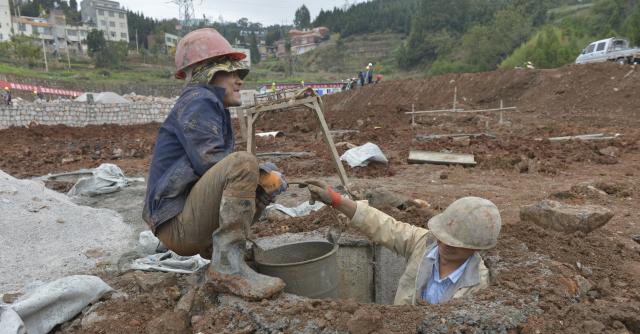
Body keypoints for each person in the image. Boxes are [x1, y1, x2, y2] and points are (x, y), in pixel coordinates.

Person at [143, 28, 288, 301]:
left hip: (182, 220)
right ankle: (227, 267)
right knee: (245, 164)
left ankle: (226, 256)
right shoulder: (199, 100)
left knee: (260, 175)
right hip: (177, 224)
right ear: (209, 72)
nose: (239, 81)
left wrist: (266, 178)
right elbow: (212, 161)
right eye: (233, 72)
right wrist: (261, 173)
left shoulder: (210, 105)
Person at [304, 181, 502, 305]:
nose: (445, 243)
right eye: (444, 235)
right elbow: (384, 225)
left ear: (477, 247)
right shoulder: (424, 243)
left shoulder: (479, 283)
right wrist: (337, 201)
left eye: (456, 242)